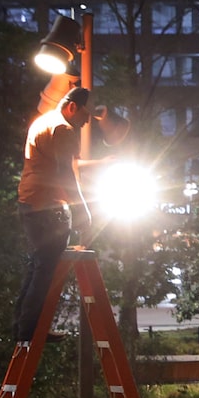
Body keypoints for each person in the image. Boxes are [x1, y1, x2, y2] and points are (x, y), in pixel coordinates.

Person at [12, 72, 128, 345]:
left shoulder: (44, 122)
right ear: (72, 107)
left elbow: (66, 165)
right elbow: (67, 173)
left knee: (38, 266)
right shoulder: (63, 129)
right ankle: (31, 330)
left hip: (30, 202)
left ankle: (23, 326)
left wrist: (101, 164)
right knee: (46, 270)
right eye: (85, 116)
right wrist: (82, 212)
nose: (88, 122)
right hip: (47, 206)